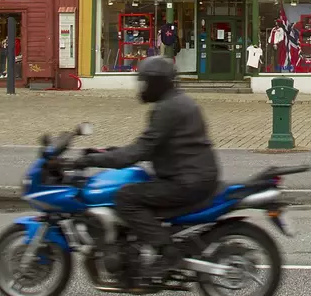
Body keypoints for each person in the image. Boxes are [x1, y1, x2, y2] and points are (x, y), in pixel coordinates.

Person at [72, 56, 219, 282]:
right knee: (137, 186)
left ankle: (168, 253)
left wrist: (90, 161)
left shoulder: (167, 108)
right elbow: (149, 146)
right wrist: (104, 153)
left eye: (145, 82)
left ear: (157, 83)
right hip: (194, 174)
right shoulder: (178, 101)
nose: (142, 87)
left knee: (126, 197)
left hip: (187, 181)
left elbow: (139, 152)